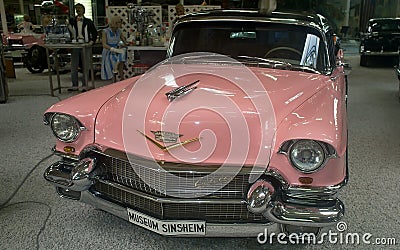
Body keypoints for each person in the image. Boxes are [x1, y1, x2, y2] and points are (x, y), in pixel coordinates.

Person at [67, 3, 97, 92]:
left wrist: (92, 42)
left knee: (86, 65)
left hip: (85, 45)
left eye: (79, 8)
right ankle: (74, 85)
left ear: (83, 10)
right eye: (76, 9)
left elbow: (94, 33)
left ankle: (85, 85)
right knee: (74, 66)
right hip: (75, 45)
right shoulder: (72, 21)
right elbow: (69, 31)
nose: (78, 10)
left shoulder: (88, 21)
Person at [101, 15, 127, 81]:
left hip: (117, 51)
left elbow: (124, 42)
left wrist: (124, 44)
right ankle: (118, 75)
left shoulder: (119, 31)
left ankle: (120, 75)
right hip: (108, 51)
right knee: (115, 59)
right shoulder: (105, 32)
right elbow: (104, 45)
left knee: (123, 52)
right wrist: (113, 49)